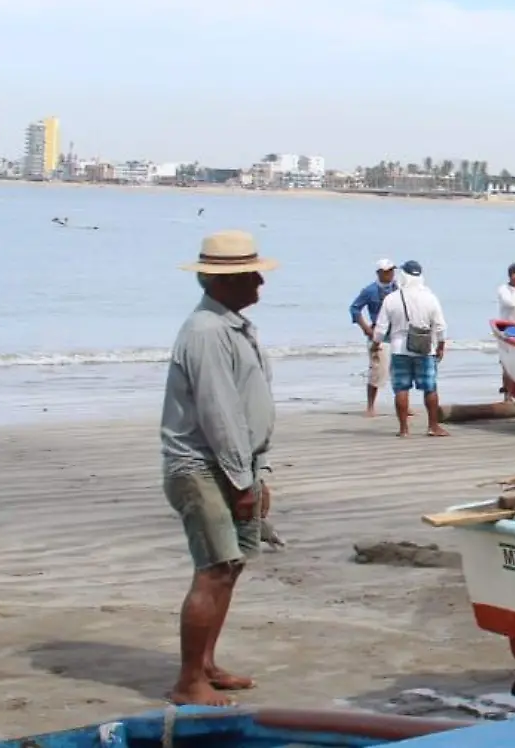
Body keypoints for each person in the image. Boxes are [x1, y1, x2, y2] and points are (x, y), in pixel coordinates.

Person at [161, 230, 279, 706]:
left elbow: (249, 406)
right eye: (251, 275)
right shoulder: (207, 332)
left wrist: (259, 470)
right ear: (224, 280)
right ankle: (189, 680)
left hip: (235, 466)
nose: (259, 283)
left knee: (230, 566)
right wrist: (241, 480)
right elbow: (218, 413)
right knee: (213, 569)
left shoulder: (233, 325)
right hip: (203, 467)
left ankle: (206, 665)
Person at [372, 260, 449, 437]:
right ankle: (433, 426)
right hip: (424, 348)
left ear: (403, 276)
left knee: (401, 388)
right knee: (430, 388)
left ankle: (404, 429)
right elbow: (440, 326)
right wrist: (441, 346)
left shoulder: (392, 298)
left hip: (399, 349)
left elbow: (381, 328)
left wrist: (376, 345)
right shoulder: (430, 297)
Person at [348, 259, 398, 417]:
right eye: (386, 271)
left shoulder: (398, 288)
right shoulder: (370, 290)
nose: (390, 274)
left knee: (399, 372)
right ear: (379, 273)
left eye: (391, 270)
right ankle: (370, 406)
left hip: (398, 334)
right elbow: (355, 309)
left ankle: (403, 406)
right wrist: (366, 329)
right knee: (377, 371)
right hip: (379, 336)